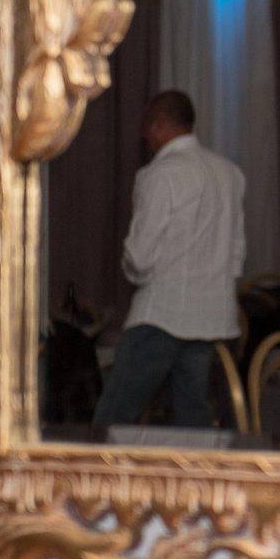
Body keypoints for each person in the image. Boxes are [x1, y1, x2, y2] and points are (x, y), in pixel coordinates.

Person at [92, 91, 246, 429]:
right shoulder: (230, 173)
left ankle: (96, 482)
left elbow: (141, 256)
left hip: (162, 314)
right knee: (192, 419)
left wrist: (131, 269)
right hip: (209, 317)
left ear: (159, 125)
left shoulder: (160, 174)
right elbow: (236, 252)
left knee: (114, 418)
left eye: (147, 128)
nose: (146, 138)